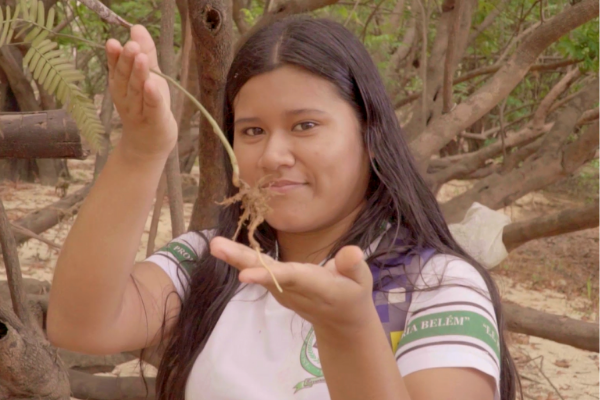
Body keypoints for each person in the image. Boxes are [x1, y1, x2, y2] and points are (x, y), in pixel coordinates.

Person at [47, 16, 520, 400]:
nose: (273, 155)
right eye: (252, 131)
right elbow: (79, 325)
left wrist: (348, 329)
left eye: (305, 125)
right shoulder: (214, 261)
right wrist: (142, 148)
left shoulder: (436, 285)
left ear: (372, 137)